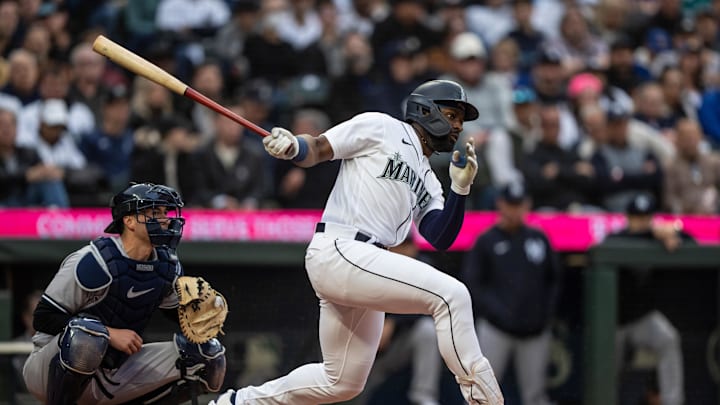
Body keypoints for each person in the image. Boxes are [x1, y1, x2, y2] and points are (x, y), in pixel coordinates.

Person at [211, 79, 503, 404]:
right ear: (426, 110)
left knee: (342, 382)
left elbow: (440, 236)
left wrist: (460, 191)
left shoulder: (429, 178)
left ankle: (235, 402)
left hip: (365, 263)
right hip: (342, 247)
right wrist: (295, 146)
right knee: (452, 296)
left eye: (461, 119)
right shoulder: (381, 126)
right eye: (452, 115)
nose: (458, 126)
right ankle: (486, 400)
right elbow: (319, 148)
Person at [22, 182, 227, 404]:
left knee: (208, 355)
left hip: (112, 372)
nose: (166, 219)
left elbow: (177, 316)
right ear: (129, 220)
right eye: (155, 212)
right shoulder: (94, 261)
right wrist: (109, 334)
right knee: (87, 335)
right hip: (50, 369)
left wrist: (198, 312)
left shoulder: (167, 265)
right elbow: (43, 318)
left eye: (165, 213)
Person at [461, 182, 561, 405]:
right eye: (510, 204)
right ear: (500, 204)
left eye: (519, 205)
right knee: (481, 394)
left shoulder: (538, 238)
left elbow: (553, 280)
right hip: (496, 329)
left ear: (527, 206)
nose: (514, 210)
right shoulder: (487, 240)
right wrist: (496, 312)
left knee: (535, 396)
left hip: (535, 331)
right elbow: (473, 284)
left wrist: (544, 316)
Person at [603, 192, 688, 405]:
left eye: (645, 217)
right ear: (628, 217)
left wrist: (673, 232)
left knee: (668, 338)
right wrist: (653, 233)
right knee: (607, 370)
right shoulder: (617, 238)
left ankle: (672, 401)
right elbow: (611, 244)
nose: (641, 222)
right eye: (636, 217)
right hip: (610, 323)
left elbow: (691, 239)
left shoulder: (658, 236)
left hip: (641, 319)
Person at [357, 236, 443, 405]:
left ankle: (423, 396)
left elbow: (426, 305)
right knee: (354, 389)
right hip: (373, 348)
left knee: (427, 330)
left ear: (413, 248)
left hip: (403, 342)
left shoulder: (423, 267)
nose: (400, 252)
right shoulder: (375, 267)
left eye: (405, 247)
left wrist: (394, 321)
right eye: (396, 248)